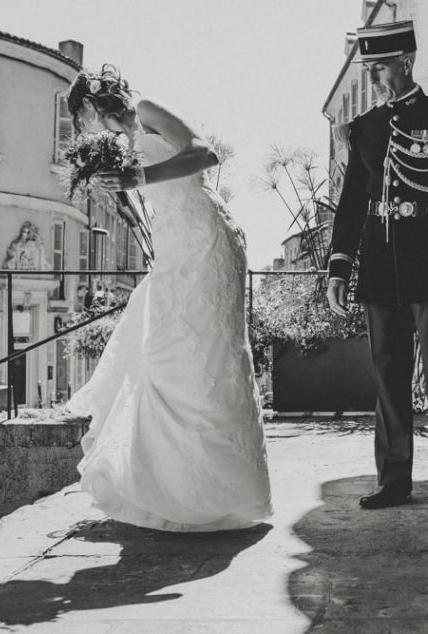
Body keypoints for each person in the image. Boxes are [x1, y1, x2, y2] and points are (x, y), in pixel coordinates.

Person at [65, 65, 272, 531]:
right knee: (165, 354)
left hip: (203, 233)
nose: (87, 127)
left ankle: (215, 492)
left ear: (95, 103)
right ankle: (177, 490)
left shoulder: (149, 110)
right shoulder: (121, 143)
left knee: (207, 353)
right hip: (174, 239)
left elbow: (205, 154)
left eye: (84, 116)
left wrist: (139, 174)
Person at [325, 21, 428, 519]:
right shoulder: (366, 127)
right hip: (379, 267)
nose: (374, 77)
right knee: (388, 376)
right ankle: (394, 479)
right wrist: (340, 265)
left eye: (379, 67)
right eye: (369, 68)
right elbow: (352, 202)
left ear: (405, 63)